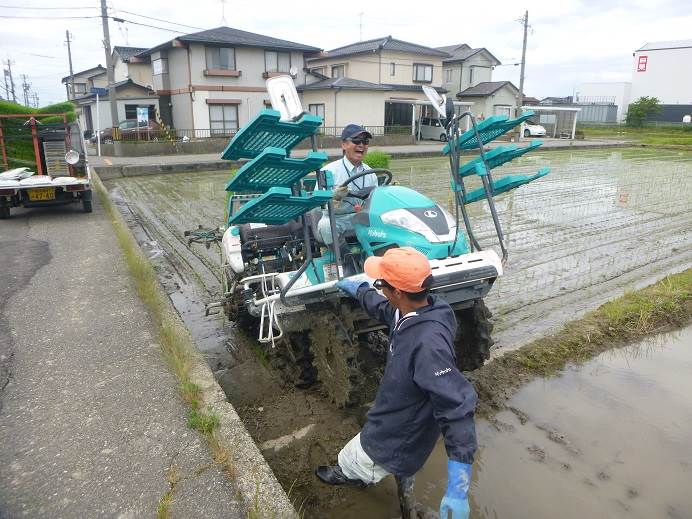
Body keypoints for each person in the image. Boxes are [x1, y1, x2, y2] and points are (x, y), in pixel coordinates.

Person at [315, 247, 477, 519]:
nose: (378, 290)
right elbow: (384, 310)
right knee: (405, 467)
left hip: (399, 427)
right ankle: (406, 494)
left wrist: (458, 484)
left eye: (380, 285)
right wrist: (361, 291)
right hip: (407, 407)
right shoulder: (427, 309)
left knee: (354, 457)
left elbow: (457, 407)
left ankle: (348, 474)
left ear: (398, 292)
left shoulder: (428, 346)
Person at [317, 124, 378, 246]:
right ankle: (343, 256)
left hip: (362, 217)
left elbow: (376, 203)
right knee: (325, 226)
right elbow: (320, 205)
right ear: (343, 144)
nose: (361, 145)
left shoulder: (371, 173)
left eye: (365, 142)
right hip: (337, 218)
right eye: (356, 140)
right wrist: (335, 196)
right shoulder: (329, 171)